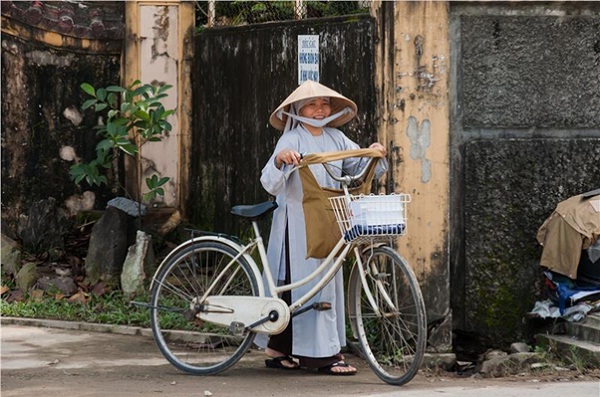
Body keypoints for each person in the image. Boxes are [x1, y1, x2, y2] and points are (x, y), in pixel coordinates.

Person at [257, 80, 388, 376]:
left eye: (324, 104)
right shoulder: (292, 138)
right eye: (312, 104)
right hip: (299, 222)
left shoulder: (337, 137)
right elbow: (269, 181)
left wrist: (373, 153)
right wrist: (281, 159)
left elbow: (356, 165)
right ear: (298, 109)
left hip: (331, 217)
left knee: (317, 282)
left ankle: (279, 349)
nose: (319, 110)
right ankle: (322, 357)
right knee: (301, 284)